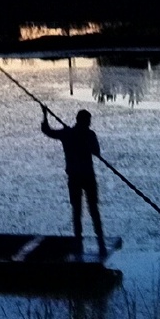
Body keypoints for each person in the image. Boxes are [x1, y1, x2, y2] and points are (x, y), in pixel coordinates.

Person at [42, 108, 107, 256]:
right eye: (88, 121)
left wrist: (45, 116)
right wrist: (45, 116)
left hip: (78, 178)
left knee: (80, 210)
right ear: (84, 121)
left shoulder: (70, 134)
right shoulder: (85, 134)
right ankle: (95, 242)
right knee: (90, 210)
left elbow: (47, 131)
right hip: (85, 177)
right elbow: (96, 152)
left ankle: (84, 242)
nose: (89, 124)